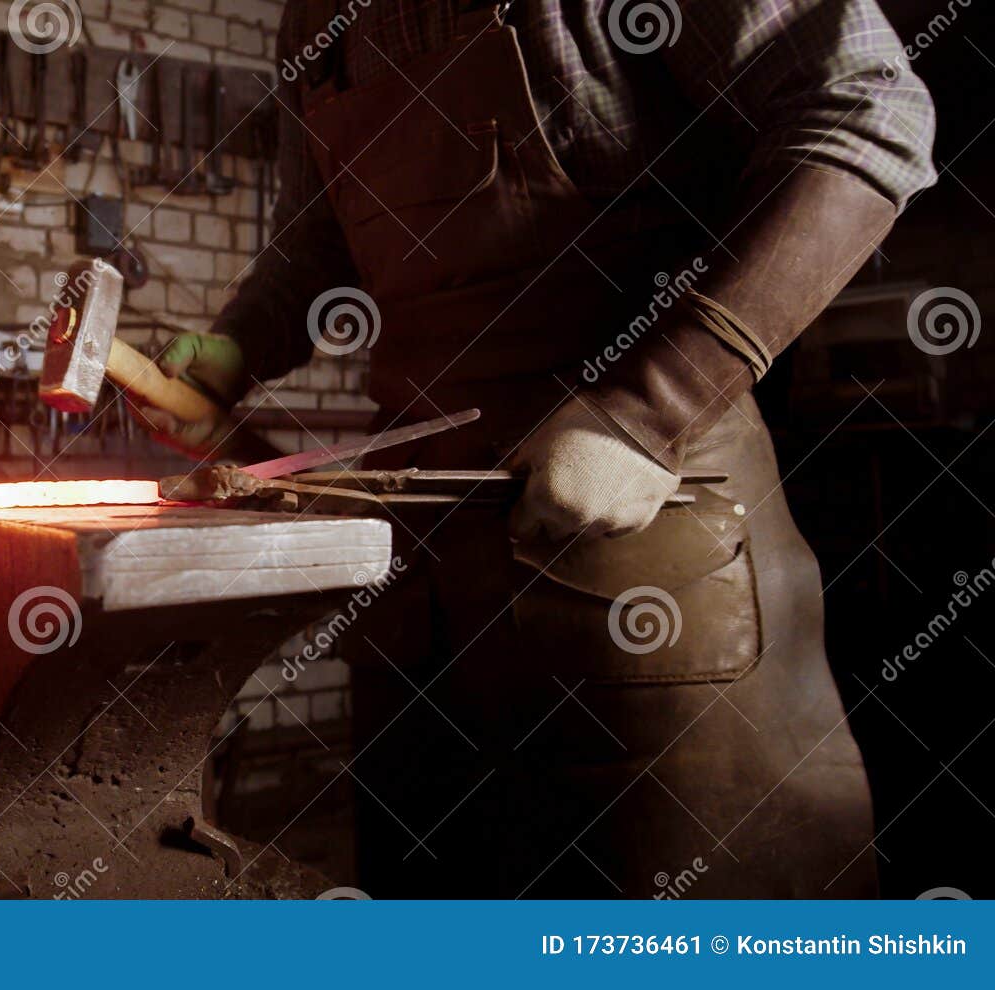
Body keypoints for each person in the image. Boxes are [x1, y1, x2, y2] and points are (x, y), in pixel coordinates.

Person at [129, 0, 937, 896]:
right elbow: (315, 236)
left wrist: (650, 404)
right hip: (421, 578)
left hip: (646, 548)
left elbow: (868, 113)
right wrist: (232, 350)